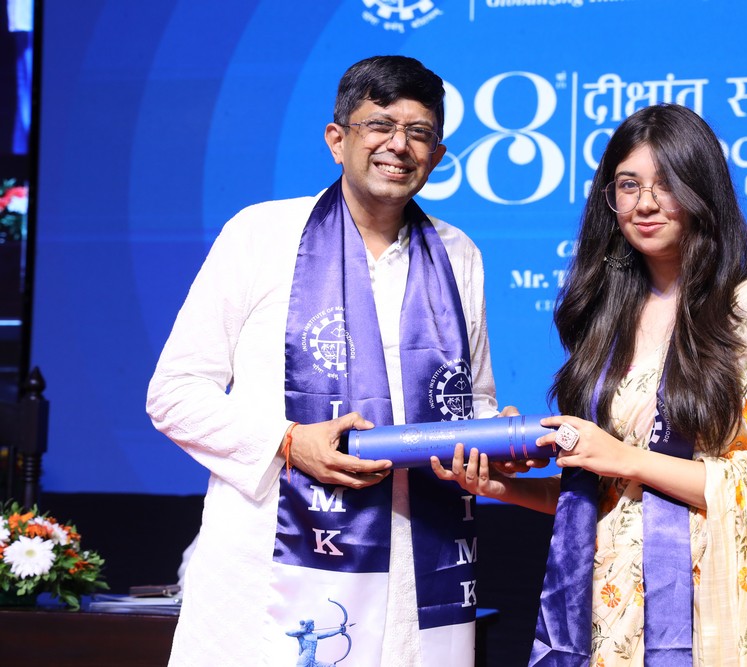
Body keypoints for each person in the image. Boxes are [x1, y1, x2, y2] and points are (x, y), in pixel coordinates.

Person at [433, 104, 747, 665]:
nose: (645, 204)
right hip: (612, 610)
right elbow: (610, 501)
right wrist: (504, 489)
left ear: (703, 191)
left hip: (710, 614)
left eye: (666, 184)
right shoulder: (607, 320)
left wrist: (623, 457)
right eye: (628, 185)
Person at [147, 55, 500, 667]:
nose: (399, 146)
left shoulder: (457, 253)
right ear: (337, 139)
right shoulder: (260, 234)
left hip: (416, 566)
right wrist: (288, 442)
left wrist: (497, 438)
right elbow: (174, 393)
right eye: (380, 125)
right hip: (269, 565)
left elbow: (471, 400)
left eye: (418, 133)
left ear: (438, 156)